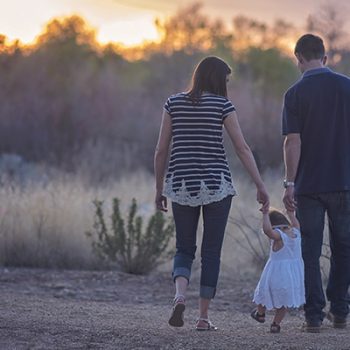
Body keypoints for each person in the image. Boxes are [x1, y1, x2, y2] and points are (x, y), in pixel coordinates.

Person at [154, 56, 269, 330]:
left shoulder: (173, 103)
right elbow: (242, 148)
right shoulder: (223, 105)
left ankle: (180, 296)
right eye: (226, 80)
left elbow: (160, 150)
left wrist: (159, 189)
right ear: (218, 79)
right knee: (211, 252)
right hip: (217, 185)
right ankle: (203, 318)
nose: (227, 85)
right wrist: (260, 185)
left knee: (184, 247)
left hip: (181, 184)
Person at [282, 33, 350, 333]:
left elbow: (292, 142)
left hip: (308, 186)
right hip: (344, 182)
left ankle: (313, 316)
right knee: (344, 248)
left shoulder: (294, 94)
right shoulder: (347, 87)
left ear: (298, 58)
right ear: (324, 57)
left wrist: (289, 183)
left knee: (309, 251)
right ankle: (340, 311)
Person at [251, 208, 305, 333]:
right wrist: (291, 213)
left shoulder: (279, 236)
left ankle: (260, 314)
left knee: (263, 293)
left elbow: (267, 231)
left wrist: (265, 214)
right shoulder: (296, 232)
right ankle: (275, 324)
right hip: (292, 276)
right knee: (283, 301)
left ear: (274, 226)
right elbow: (295, 222)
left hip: (276, 274)